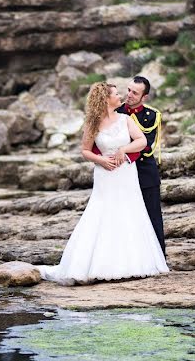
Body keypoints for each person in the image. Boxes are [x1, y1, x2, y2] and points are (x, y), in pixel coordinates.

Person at [38, 82, 169, 285]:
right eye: (117, 94)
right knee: (103, 213)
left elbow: (142, 141)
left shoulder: (125, 119)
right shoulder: (93, 123)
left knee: (130, 212)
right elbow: (85, 150)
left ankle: (134, 263)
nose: (121, 97)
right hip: (105, 175)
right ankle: (98, 264)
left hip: (126, 173)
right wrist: (101, 160)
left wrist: (124, 150)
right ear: (106, 99)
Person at [92, 76, 166, 256]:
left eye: (135, 93)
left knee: (152, 215)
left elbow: (147, 146)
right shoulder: (115, 110)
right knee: (122, 215)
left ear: (144, 97)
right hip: (118, 173)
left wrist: (121, 155)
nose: (129, 95)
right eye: (129, 90)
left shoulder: (152, 115)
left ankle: (158, 257)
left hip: (143, 171)